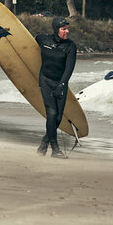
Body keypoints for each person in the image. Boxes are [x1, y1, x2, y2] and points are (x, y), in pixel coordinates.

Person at [34, 16, 77, 158]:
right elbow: (22, 50)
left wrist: (62, 85)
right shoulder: (43, 40)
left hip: (60, 83)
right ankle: (55, 149)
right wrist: (2, 58)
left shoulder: (70, 46)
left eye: (67, 28)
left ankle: (44, 144)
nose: (67, 31)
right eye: (63, 29)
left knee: (58, 118)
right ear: (56, 29)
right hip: (45, 80)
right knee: (51, 113)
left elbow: (69, 69)